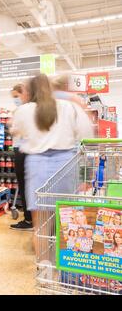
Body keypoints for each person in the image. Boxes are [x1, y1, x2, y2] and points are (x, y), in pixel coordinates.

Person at [11, 74, 94, 256]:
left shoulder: (24, 111)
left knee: (41, 226)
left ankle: (44, 268)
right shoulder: (68, 107)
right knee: (69, 220)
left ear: (29, 92)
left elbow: (15, 131)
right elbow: (87, 134)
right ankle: (68, 267)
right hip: (66, 164)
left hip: (36, 164)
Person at [8, 84, 33, 231]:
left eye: (16, 96)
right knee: (27, 185)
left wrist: (12, 127)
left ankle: (29, 220)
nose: (15, 100)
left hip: (23, 150)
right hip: (26, 149)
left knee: (24, 185)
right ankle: (30, 218)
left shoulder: (24, 110)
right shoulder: (27, 109)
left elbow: (21, 130)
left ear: (24, 93)